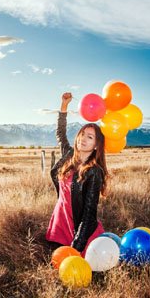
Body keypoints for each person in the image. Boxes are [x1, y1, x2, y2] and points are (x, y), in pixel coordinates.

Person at [45, 92, 109, 257]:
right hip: (62, 218)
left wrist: (77, 245)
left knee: (79, 263)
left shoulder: (94, 172)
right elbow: (60, 134)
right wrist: (64, 107)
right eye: (82, 134)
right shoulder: (69, 155)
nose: (83, 139)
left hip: (79, 226)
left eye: (90, 137)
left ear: (96, 145)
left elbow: (89, 214)